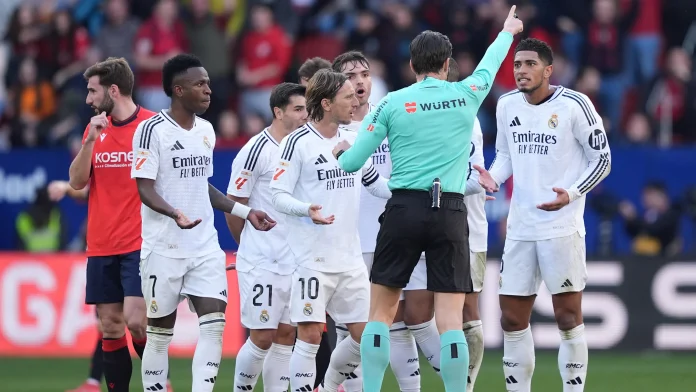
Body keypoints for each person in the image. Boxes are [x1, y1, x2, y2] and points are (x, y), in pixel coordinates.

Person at [333, 6, 524, 392]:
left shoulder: (391, 103)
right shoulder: (466, 95)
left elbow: (353, 161)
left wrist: (340, 152)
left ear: (411, 64)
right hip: (450, 211)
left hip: (403, 209)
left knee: (381, 314)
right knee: (450, 319)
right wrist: (507, 32)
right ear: (448, 64)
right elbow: (488, 66)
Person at [131, 53, 276, 392]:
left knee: (213, 325)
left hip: (204, 247)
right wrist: (174, 213)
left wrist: (244, 212)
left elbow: (203, 187)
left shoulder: (207, 131)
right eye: (200, 84)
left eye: (208, 83)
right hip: (163, 248)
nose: (208, 90)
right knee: (158, 333)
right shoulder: (151, 131)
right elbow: (144, 187)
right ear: (178, 90)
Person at [476, 38, 612, 392]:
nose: (521, 70)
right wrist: (494, 176)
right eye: (517, 64)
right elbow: (505, 155)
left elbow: (603, 160)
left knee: (567, 317)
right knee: (511, 319)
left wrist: (572, 193)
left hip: (561, 227)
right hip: (521, 228)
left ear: (548, 70)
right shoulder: (506, 105)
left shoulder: (575, 105)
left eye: (529, 64)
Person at [269, 69, 391, 392]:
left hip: (349, 259)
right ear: (326, 103)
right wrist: (305, 210)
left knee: (365, 337)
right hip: (312, 260)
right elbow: (277, 194)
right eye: (348, 97)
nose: (356, 101)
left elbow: (376, 186)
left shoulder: (353, 140)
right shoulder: (297, 143)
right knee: (309, 337)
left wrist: (412, 189)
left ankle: (329, 383)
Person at [332, 50, 441, 392]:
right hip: (351, 239)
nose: (359, 80)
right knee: (354, 328)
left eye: (364, 73)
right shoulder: (330, 131)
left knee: (406, 323)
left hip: (395, 231)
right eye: (350, 75)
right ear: (337, 83)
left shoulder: (391, 115)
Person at [66, 57, 171, 392]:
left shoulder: (153, 127)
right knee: (110, 326)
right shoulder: (94, 129)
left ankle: (159, 383)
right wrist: (89, 143)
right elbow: (77, 182)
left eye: (93, 91)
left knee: (137, 321)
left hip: (141, 244)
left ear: (113, 90)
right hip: (101, 244)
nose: (88, 99)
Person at [226, 82, 308, 391]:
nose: (304, 115)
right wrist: (247, 246)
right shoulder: (256, 149)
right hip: (262, 259)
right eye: (298, 109)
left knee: (287, 334)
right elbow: (234, 204)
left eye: (306, 109)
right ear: (278, 111)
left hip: (294, 259)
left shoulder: (303, 147)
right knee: (261, 335)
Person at [447, 57, 489, 392]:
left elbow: (476, 177)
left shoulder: (467, 120)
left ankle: (466, 386)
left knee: (466, 312)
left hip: (467, 229)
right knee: (417, 313)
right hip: (431, 224)